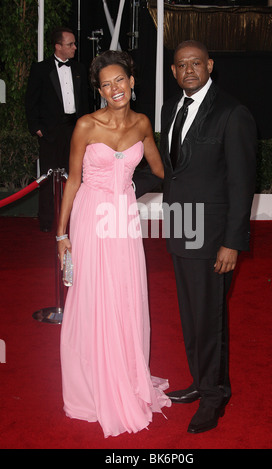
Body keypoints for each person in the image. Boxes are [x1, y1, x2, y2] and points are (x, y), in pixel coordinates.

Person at [136, 40, 257, 434]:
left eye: (195, 63)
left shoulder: (232, 112)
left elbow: (242, 183)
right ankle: (200, 381)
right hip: (180, 225)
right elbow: (172, 171)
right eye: (181, 65)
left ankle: (215, 395)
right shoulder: (171, 108)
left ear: (209, 66)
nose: (188, 69)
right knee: (191, 314)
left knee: (210, 317)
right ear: (173, 72)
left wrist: (233, 242)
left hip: (213, 237)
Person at [56, 50, 171, 438]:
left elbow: (159, 169)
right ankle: (93, 384)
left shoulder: (141, 123)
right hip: (91, 215)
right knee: (95, 296)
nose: (114, 88)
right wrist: (62, 234)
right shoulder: (86, 126)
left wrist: (201, 172)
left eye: (119, 80)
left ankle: (125, 372)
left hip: (123, 216)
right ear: (99, 90)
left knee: (125, 293)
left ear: (132, 82)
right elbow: (73, 181)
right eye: (106, 84)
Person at [25, 27, 90, 232]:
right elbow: (30, 101)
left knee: (77, 175)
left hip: (76, 128)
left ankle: (78, 219)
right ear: (58, 46)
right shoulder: (40, 69)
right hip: (51, 131)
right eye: (70, 44)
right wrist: (37, 128)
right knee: (47, 178)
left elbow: (87, 102)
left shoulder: (80, 69)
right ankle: (46, 221)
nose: (74, 47)